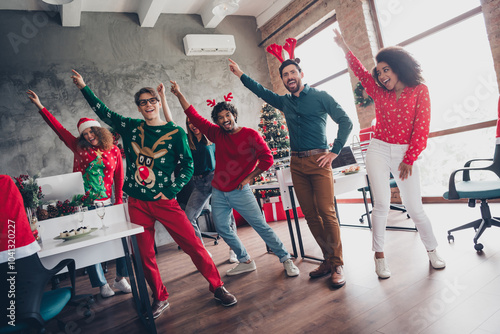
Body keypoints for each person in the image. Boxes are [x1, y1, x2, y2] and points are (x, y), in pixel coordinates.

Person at [70, 71, 237, 319]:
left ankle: (218, 286)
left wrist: (169, 190)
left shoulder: (175, 132)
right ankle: (159, 297)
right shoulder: (131, 127)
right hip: (137, 203)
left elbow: (187, 165)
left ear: (159, 103)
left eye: (152, 100)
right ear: (139, 108)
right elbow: (103, 112)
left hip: (164, 202)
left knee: (193, 245)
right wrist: (84, 87)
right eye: (143, 102)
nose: (148, 105)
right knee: (144, 255)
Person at [228, 51, 352, 288]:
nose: (289, 77)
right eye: (285, 75)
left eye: (293, 72)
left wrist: (334, 151)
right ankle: (327, 260)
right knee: (310, 215)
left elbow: (346, 121)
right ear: (283, 80)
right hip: (297, 163)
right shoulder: (285, 101)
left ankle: (337, 264)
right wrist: (241, 74)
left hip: (319, 160)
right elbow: (262, 92)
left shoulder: (320, 96)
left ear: (301, 74)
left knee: (327, 213)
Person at [333, 29, 445, 278]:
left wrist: (409, 157)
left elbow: (421, 128)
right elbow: (361, 72)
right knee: (382, 203)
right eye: (379, 72)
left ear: (397, 68)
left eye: (386, 70)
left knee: (414, 207)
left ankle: (433, 250)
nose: (382, 76)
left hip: (406, 152)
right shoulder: (378, 92)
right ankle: (379, 257)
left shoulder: (419, 91)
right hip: (379, 149)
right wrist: (344, 47)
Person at [169, 80, 300, 278]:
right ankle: (245, 260)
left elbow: (267, 159)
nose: (224, 120)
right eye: (220, 118)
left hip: (240, 191)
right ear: (217, 121)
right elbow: (193, 116)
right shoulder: (216, 134)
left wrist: (249, 178)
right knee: (222, 227)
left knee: (260, 226)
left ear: (234, 115)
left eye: (227, 115)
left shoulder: (250, 135)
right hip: (219, 191)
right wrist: (178, 94)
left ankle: (285, 258)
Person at [27, 90, 131, 298]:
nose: (89, 136)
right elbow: (58, 128)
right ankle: (101, 284)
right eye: (85, 134)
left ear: (99, 131)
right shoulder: (78, 147)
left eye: (91, 132)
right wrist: (40, 106)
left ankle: (120, 278)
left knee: (121, 241)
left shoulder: (113, 151)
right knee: (92, 243)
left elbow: (119, 178)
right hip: (86, 204)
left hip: (110, 202)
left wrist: (118, 201)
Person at [158, 84, 239, 263]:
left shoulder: (213, 136)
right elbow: (170, 121)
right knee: (188, 217)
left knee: (226, 217)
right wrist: (163, 96)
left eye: (194, 122)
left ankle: (235, 250)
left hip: (217, 180)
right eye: (189, 124)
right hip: (200, 184)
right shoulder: (187, 141)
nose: (193, 125)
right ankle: (202, 251)